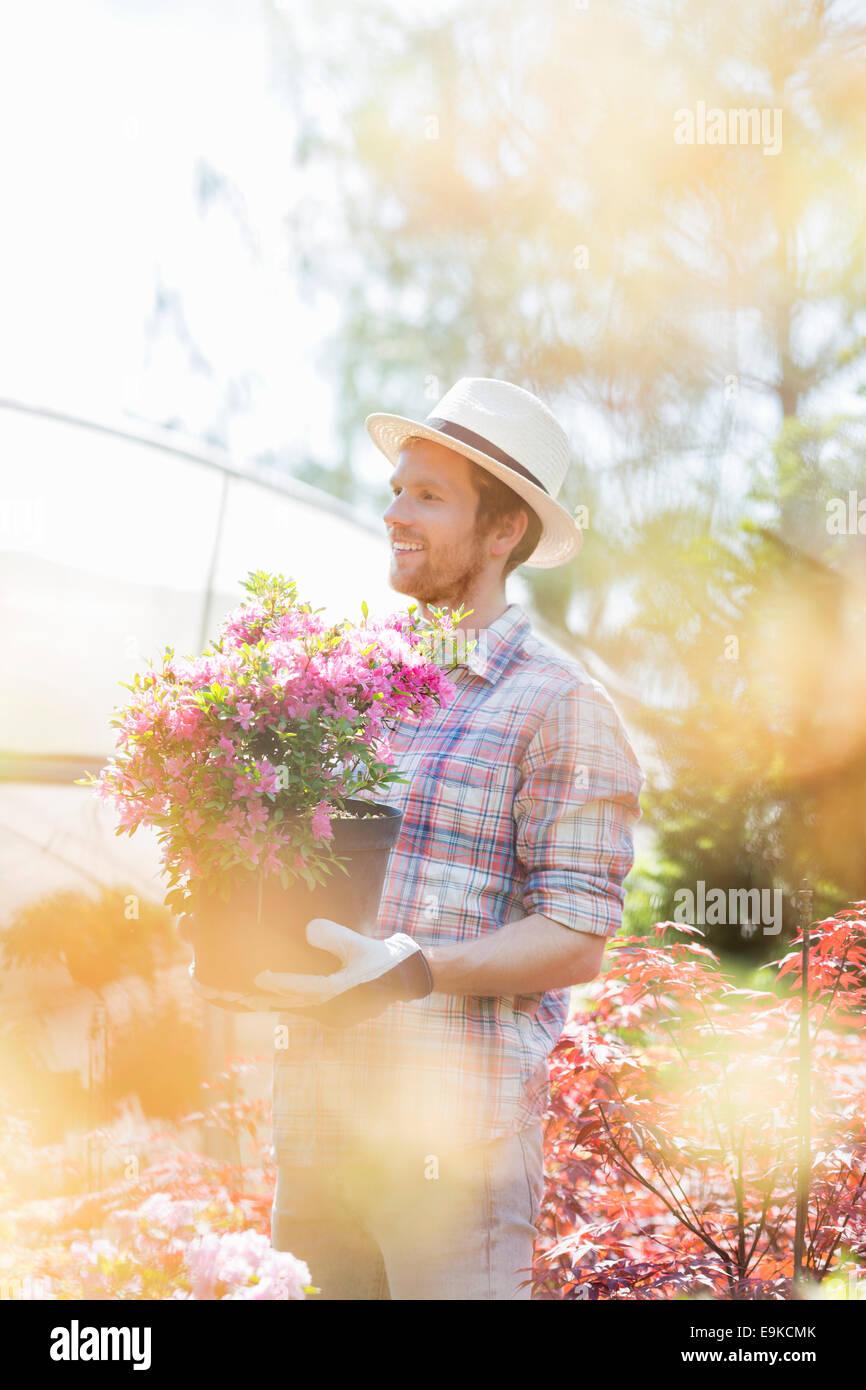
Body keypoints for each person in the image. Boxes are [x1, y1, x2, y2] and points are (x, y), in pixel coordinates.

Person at [208, 377, 644, 1299]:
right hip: (320, 1135)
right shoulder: (351, 689)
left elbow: (577, 937)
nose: (394, 512)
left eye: (429, 496)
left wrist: (413, 968)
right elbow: (311, 879)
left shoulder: (561, 708)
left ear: (503, 533)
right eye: (400, 488)